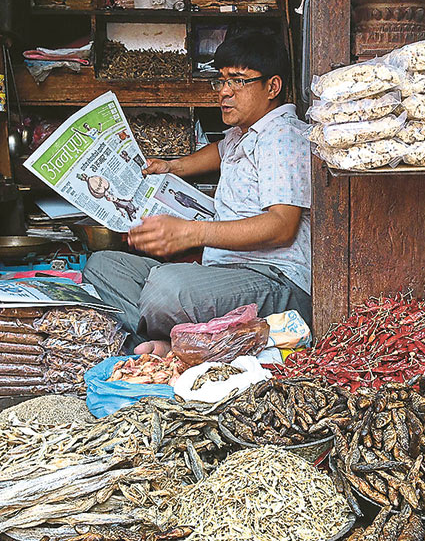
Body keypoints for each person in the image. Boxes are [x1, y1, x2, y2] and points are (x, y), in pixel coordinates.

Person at [83, 31, 311, 355]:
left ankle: (172, 344)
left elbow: (281, 226)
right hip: (221, 273)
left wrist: (193, 233)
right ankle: (176, 343)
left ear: (272, 87)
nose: (224, 92)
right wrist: (173, 167)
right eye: (220, 81)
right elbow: (219, 150)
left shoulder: (283, 136)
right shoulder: (243, 133)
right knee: (102, 267)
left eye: (238, 81)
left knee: (166, 289)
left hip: (274, 282)